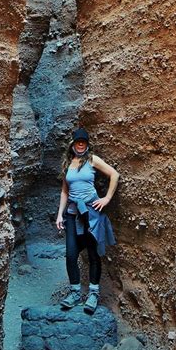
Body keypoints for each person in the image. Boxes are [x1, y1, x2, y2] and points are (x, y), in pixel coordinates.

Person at [56, 127, 119, 314]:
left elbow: (114, 174)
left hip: (91, 215)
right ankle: (75, 293)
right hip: (73, 215)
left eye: (84, 141)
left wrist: (106, 199)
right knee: (70, 255)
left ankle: (93, 294)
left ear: (87, 144)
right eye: (78, 141)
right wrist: (60, 214)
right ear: (73, 144)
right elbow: (64, 191)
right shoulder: (68, 164)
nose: (81, 144)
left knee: (93, 255)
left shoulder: (92, 160)